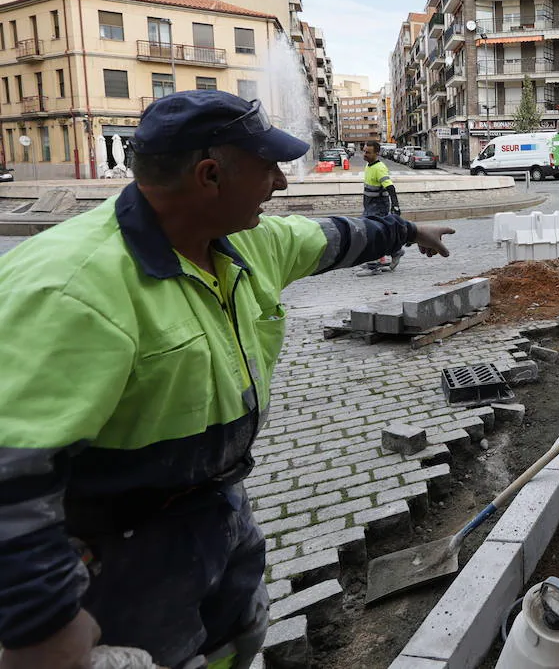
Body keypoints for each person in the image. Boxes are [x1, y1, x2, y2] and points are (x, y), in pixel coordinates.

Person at [0, 91, 452, 669]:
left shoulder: (243, 243)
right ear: (210, 175)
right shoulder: (70, 288)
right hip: (122, 560)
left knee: (236, 642)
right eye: (267, 168)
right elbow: (12, 474)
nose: (281, 185)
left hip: (216, 510)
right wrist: (46, 620)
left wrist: (410, 229)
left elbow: (340, 238)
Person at [358, 139, 404, 275]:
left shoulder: (379, 168)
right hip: (369, 206)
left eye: (368, 152)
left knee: (372, 234)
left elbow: (390, 186)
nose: (365, 154)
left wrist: (395, 205)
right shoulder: (369, 165)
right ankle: (396, 251)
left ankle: (374, 266)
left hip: (378, 206)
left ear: (377, 153)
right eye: (364, 151)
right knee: (378, 233)